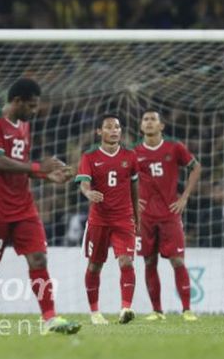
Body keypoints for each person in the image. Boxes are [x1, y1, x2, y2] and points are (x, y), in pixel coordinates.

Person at [0, 78, 80, 336]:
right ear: (16, 101)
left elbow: (21, 165)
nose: (34, 111)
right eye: (31, 106)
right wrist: (40, 168)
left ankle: (50, 318)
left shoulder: (23, 126)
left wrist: (46, 176)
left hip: (24, 206)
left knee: (39, 257)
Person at [133, 110, 201, 321]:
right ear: (141, 126)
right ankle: (157, 311)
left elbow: (196, 167)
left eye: (153, 119)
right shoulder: (134, 152)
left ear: (161, 126)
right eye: (146, 119)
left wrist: (185, 197)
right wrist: (133, 201)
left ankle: (187, 309)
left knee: (177, 261)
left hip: (170, 215)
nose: (149, 122)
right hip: (145, 218)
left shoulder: (174, 147)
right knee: (149, 262)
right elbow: (125, 177)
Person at [76, 114, 139, 325]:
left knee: (126, 261)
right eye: (109, 127)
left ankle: (126, 308)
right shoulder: (90, 156)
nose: (114, 130)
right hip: (99, 220)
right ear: (99, 132)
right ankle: (95, 313)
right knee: (95, 266)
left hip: (123, 218)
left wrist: (136, 218)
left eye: (117, 127)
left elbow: (134, 188)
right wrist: (88, 193)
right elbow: (84, 183)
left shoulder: (130, 156)